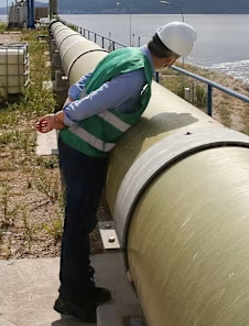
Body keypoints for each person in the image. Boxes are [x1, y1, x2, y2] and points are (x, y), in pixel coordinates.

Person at [35, 21, 198, 322]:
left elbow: (85, 81)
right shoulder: (136, 77)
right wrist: (63, 116)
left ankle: (81, 286)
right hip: (84, 152)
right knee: (78, 225)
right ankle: (72, 296)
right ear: (172, 59)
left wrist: (70, 99)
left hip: (79, 147)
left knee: (81, 222)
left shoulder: (125, 55)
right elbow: (100, 99)